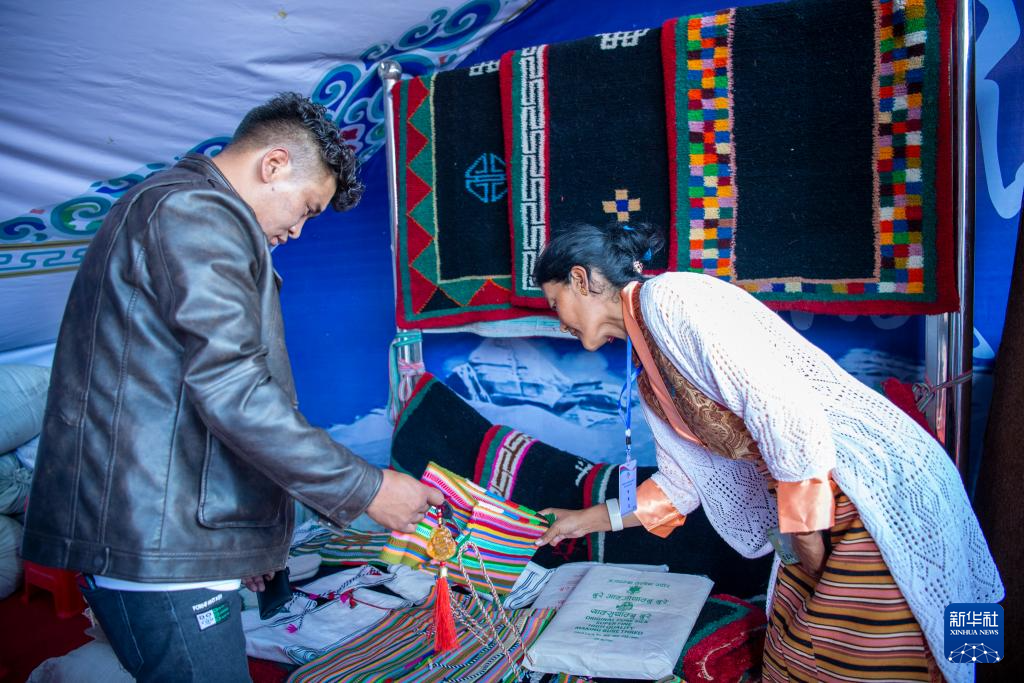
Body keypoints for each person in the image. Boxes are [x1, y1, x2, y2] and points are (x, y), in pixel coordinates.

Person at [21, 92, 443, 681]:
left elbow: (190, 394)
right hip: (155, 542)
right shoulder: (195, 212)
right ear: (274, 164)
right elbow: (233, 389)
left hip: (168, 530)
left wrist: (247, 540)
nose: (297, 230)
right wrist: (367, 487)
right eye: (306, 208)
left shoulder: (176, 208)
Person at [532, 222, 1002, 683]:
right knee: (795, 653)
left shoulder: (674, 299)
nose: (559, 322)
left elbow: (783, 411)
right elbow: (680, 486)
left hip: (866, 486)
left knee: (878, 653)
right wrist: (585, 520)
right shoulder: (648, 371)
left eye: (556, 304)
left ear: (581, 279)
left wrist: (807, 536)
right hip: (809, 501)